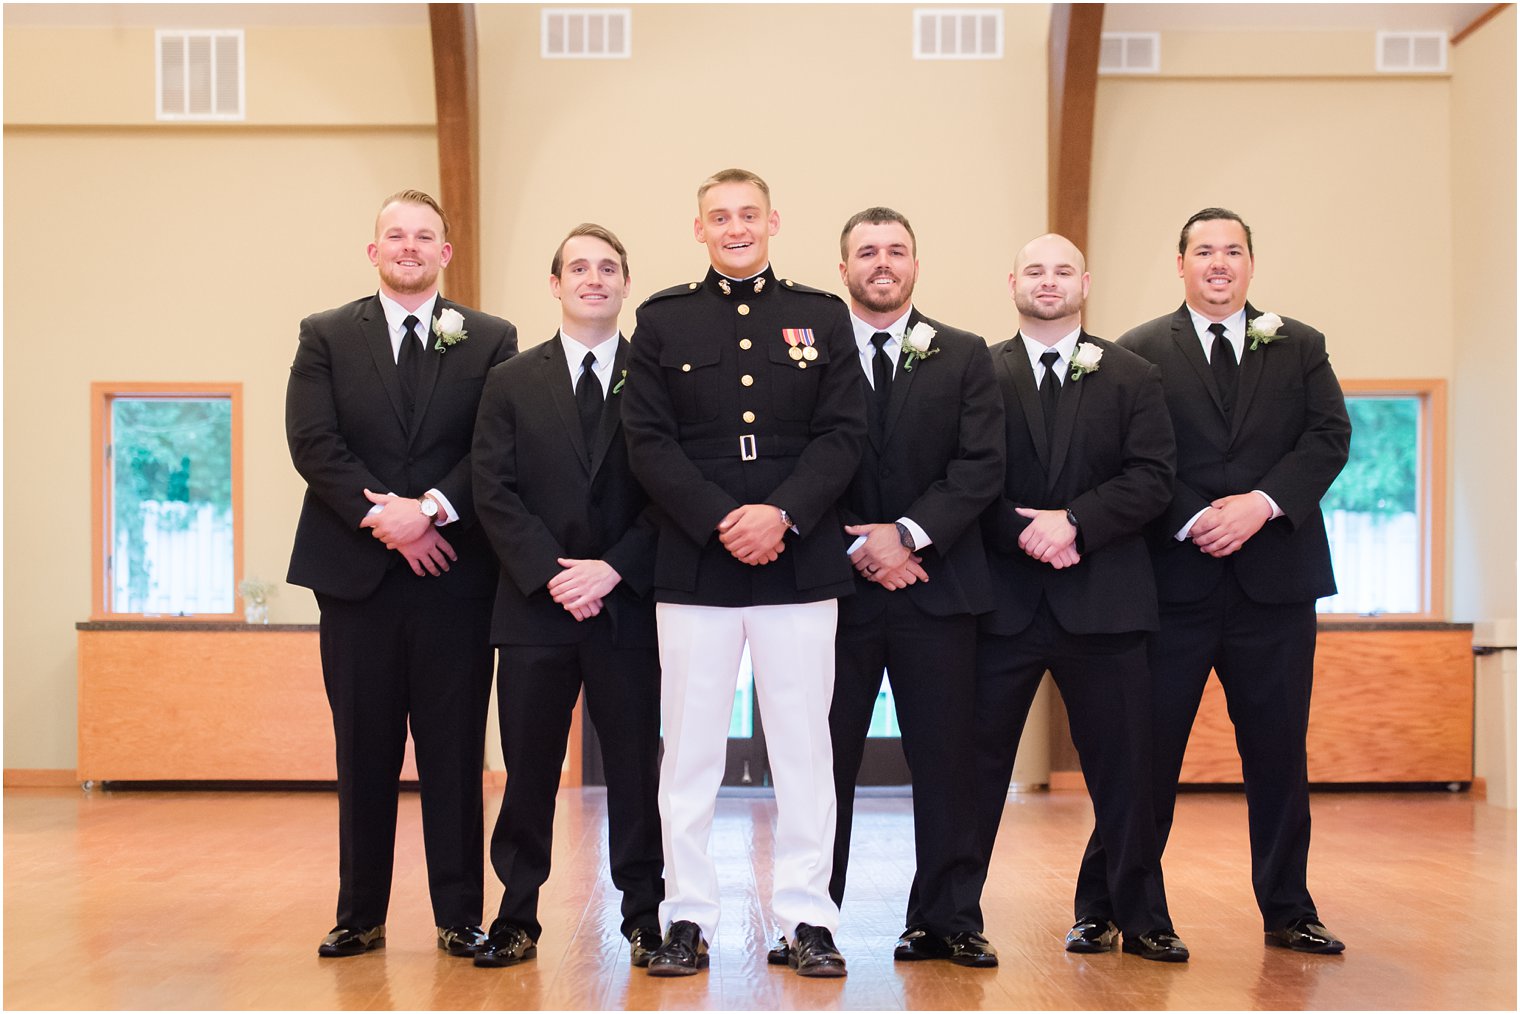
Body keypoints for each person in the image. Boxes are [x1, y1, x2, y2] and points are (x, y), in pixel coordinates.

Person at [1078, 207, 1351, 955]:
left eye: (1233, 251)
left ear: (1251, 265)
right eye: (1205, 251)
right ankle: (1107, 905)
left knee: (1276, 752)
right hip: (1172, 585)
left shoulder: (1299, 345)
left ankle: (1289, 909)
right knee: (1144, 754)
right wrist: (1197, 516)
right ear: (1181, 264)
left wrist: (1261, 507)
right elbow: (1124, 455)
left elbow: (1328, 438)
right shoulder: (1135, 352)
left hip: (1276, 585)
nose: (1219, 263)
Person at [620, 168, 866, 978]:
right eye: (719, 217)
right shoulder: (661, 320)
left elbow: (842, 434)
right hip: (697, 565)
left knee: (805, 750)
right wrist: (723, 520)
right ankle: (686, 917)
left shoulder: (820, 316)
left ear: (773, 221)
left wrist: (783, 515)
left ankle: (807, 919)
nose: (735, 228)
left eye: (748, 215)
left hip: (799, 564)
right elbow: (648, 441)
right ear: (699, 230)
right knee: (689, 753)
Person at [286, 189, 517, 957]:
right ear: (374, 250)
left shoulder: (489, 338)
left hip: (455, 574)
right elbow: (313, 442)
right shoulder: (323, 335)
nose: (410, 247)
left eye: (425, 237)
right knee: (364, 747)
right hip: (356, 577)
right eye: (396, 235)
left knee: (454, 750)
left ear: (445, 254)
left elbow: (494, 445)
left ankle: (460, 915)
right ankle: (360, 913)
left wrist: (433, 510)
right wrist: (388, 520)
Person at [973, 233, 1185, 961]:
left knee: (1128, 774)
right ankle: (948, 917)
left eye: (1062, 270)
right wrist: (1020, 532)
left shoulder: (1133, 374)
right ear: (1013, 283)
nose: (1049, 281)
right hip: (1002, 603)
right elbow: (964, 476)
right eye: (1035, 270)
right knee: (973, 775)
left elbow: (1153, 477)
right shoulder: (978, 372)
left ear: (1085, 282)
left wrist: (1076, 525)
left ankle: (1138, 917)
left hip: (1106, 601)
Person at [812, 207, 1005, 968]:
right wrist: (855, 545)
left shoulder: (963, 355)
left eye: (896, 251)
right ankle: (811, 918)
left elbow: (980, 465)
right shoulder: (810, 357)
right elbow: (794, 467)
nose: (881, 263)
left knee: (948, 763)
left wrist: (907, 535)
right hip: (836, 592)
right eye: (867, 252)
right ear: (844, 268)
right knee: (822, 763)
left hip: (940, 590)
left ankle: (946, 919)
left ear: (916, 266)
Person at [469, 224, 664, 969]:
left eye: (608, 267)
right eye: (577, 267)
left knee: (635, 768)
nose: (593, 278)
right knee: (528, 769)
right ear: (555, 284)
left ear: (624, 285)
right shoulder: (510, 380)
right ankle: (516, 915)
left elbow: (668, 492)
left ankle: (644, 917)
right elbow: (494, 490)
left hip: (626, 607)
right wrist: (555, 575)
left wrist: (612, 570)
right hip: (534, 610)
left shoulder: (653, 379)